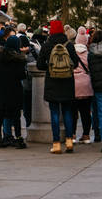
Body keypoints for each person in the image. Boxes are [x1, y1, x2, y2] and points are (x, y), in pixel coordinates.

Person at [37, 20, 79, 154]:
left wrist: (50, 68)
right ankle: (68, 141)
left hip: (52, 82)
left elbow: (39, 65)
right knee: (67, 112)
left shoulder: (47, 45)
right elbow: (76, 64)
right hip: (67, 82)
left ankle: (56, 144)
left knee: (54, 113)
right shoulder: (69, 45)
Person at [0, 32, 28, 148]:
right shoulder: (18, 59)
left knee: (0, 115)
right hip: (14, 89)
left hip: (1, 88)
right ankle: (18, 137)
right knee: (15, 115)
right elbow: (21, 75)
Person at [72, 29, 94, 144]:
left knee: (73, 112)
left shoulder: (71, 52)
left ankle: (73, 134)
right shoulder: (88, 54)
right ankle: (86, 135)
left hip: (73, 84)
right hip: (86, 84)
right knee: (86, 112)